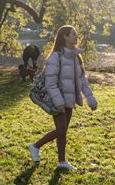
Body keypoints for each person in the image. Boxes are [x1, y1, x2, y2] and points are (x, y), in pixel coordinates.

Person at [28, 25, 97, 171]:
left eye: (76, 34)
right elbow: (50, 82)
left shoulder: (76, 57)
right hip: (58, 100)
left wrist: (91, 100)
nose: (76, 37)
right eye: (73, 34)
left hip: (69, 100)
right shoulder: (55, 56)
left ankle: (62, 162)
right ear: (64, 37)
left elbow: (82, 80)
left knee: (63, 131)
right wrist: (59, 102)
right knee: (60, 131)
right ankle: (35, 146)